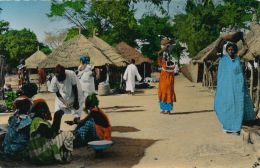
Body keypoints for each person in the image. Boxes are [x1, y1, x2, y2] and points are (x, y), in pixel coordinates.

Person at [214, 42, 255, 136]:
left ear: (235, 50)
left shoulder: (237, 58)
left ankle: (237, 125)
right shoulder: (223, 58)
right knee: (229, 106)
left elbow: (245, 49)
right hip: (227, 88)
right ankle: (230, 127)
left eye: (232, 49)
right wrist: (220, 40)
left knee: (238, 105)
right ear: (226, 51)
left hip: (238, 87)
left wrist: (243, 40)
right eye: (229, 50)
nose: (231, 51)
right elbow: (216, 50)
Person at [27, 99, 75, 164]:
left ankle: (63, 155)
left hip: (38, 154)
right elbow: (49, 134)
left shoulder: (41, 121)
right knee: (68, 134)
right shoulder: (37, 121)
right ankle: (66, 157)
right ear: (35, 110)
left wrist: (58, 118)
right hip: (42, 153)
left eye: (44, 108)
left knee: (63, 134)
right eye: (39, 109)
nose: (42, 110)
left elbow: (55, 132)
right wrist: (56, 119)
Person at [157, 47, 176, 115]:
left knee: (163, 95)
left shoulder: (164, 65)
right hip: (170, 84)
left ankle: (164, 110)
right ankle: (168, 111)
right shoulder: (173, 65)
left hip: (163, 84)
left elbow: (158, 56)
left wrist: (162, 49)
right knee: (169, 95)